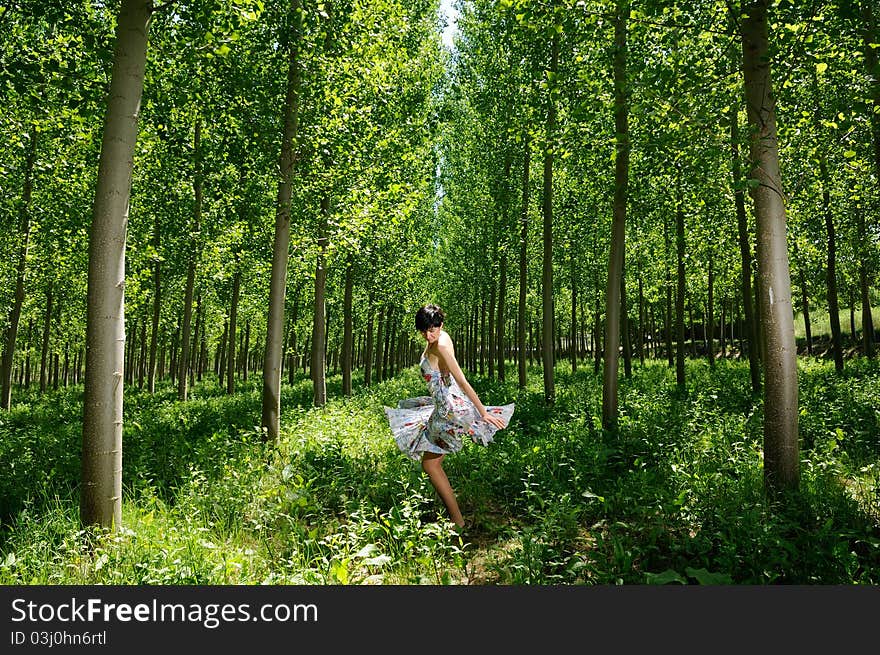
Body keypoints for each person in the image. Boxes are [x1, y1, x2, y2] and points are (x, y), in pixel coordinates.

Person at [385, 304, 514, 530]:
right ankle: (456, 519)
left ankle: (458, 521)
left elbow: (462, 381)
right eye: (424, 331)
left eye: (432, 330)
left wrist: (483, 412)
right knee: (432, 464)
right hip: (442, 404)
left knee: (430, 465)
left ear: (441, 325)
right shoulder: (440, 339)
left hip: (447, 408)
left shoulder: (441, 345)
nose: (428, 335)